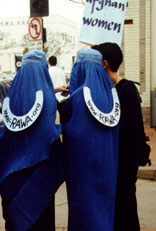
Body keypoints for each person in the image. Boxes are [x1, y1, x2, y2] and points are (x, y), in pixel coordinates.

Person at [0, 50, 64, 231]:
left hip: (13, 172)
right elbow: (48, 133)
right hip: (40, 175)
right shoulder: (48, 97)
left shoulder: (12, 96)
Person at [93, 42, 150, 231]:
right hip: (113, 164)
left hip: (124, 165)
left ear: (104, 64)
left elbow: (135, 132)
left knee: (125, 211)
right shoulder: (109, 90)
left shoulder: (125, 92)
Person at [61, 48, 120, 230]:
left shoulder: (78, 97)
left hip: (83, 170)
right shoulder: (112, 95)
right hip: (107, 167)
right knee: (103, 210)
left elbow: (71, 131)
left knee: (85, 214)